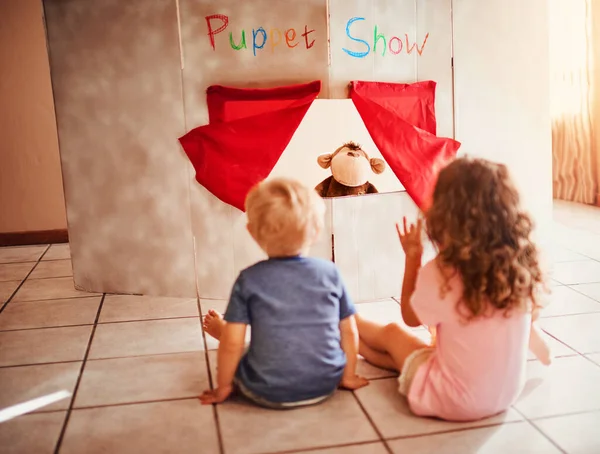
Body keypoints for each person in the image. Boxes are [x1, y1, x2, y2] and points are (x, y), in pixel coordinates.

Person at [356, 157, 551, 422]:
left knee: (393, 334)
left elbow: (410, 318)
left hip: (450, 400)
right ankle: (361, 346)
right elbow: (528, 322)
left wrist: (413, 258)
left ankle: (346, 316)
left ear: (446, 216)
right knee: (420, 347)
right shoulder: (520, 267)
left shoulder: (443, 272)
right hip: (505, 397)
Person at [200, 177, 368, 409]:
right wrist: (347, 376)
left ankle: (223, 330)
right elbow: (348, 331)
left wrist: (224, 387)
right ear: (317, 231)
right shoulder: (331, 274)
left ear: (252, 232)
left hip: (266, 391)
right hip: (324, 384)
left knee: (244, 351)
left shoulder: (248, 280)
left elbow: (232, 344)